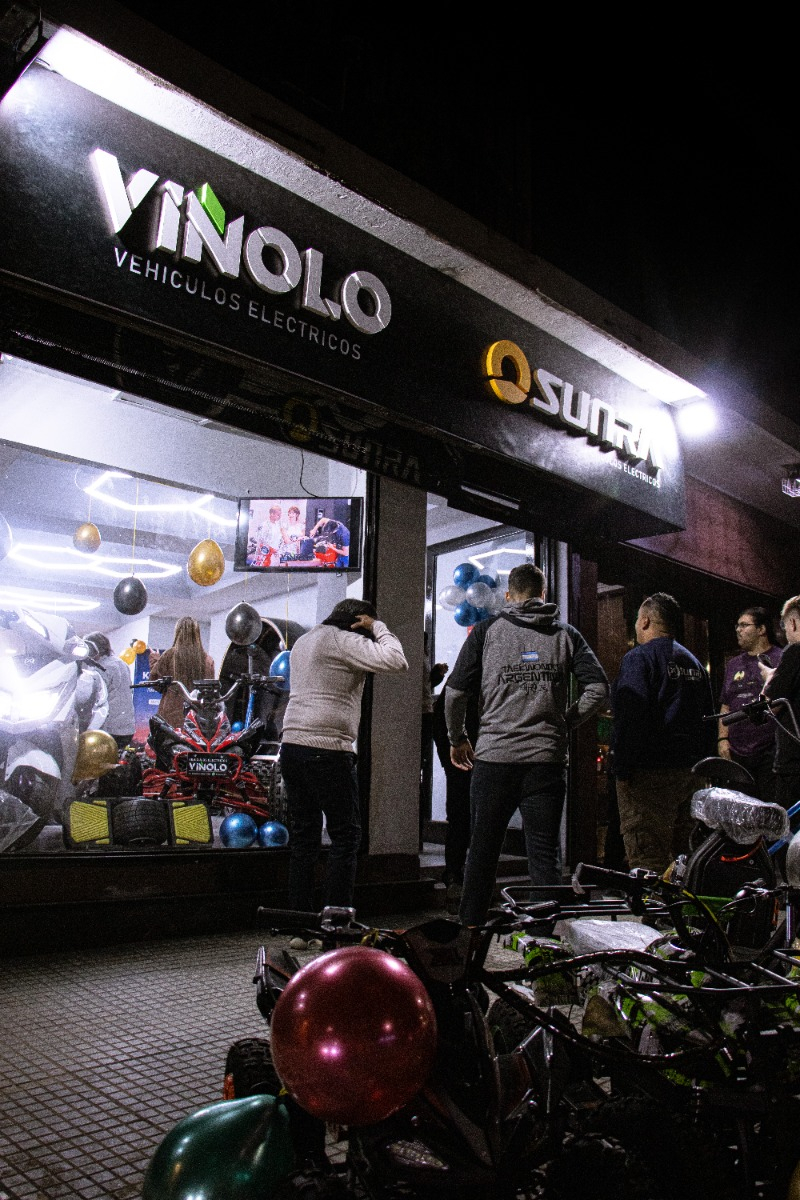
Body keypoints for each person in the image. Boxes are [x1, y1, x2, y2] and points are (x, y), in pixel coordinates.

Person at [445, 563, 608, 926]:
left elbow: (454, 693)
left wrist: (458, 738)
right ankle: (543, 934)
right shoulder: (565, 634)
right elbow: (598, 688)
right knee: (544, 853)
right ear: (543, 594)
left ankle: (471, 926)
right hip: (545, 761)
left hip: (494, 759)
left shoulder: (486, 631)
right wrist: (565, 721)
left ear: (508, 596)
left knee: (483, 849)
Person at [279, 598, 408, 911]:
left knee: (304, 838)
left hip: (292, 747)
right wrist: (377, 627)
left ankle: (299, 919)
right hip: (327, 749)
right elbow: (396, 659)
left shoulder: (304, 642)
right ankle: (336, 922)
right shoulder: (342, 640)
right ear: (357, 621)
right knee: (346, 836)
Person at [611, 592, 714, 873]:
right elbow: (707, 718)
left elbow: (631, 716)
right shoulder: (694, 663)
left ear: (645, 621)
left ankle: (655, 903)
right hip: (691, 774)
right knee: (686, 857)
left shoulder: (639, 659)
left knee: (648, 858)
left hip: (649, 774)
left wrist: (622, 766)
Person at [718, 606, 782, 801]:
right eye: (737, 626)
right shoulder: (733, 665)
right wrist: (722, 739)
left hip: (770, 752)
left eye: (744, 625)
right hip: (737, 754)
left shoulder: (781, 659)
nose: (738, 630)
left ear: (761, 629)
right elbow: (726, 704)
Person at [761, 595, 800, 810]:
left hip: (794, 766)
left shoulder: (795, 651)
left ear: (792, 623)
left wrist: (770, 679)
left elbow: (767, 706)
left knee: (789, 827)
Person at [148, 617, 215, 730]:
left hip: (170, 716)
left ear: (177, 633)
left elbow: (155, 682)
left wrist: (154, 660)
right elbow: (209, 691)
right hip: (198, 717)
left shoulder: (170, 655)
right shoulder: (207, 660)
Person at [85, 632, 136, 750]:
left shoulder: (100, 668)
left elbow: (93, 697)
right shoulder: (121, 664)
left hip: (108, 729)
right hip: (127, 728)